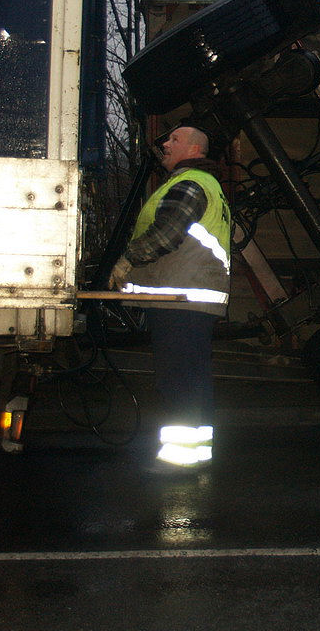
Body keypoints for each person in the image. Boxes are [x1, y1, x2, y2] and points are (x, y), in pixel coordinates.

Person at [110, 125, 231, 473]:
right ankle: (195, 454)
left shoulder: (189, 184)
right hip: (191, 299)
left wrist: (127, 259)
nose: (165, 143)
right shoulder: (205, 184)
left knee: (177, 379)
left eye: (174, 139)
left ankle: (179, 461)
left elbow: (165, 234)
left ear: (194, 149)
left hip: (181, 298)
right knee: (191, 378)